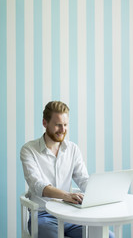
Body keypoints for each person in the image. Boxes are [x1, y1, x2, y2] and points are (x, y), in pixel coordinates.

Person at [20, 101, 114, 238]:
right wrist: (66, 195)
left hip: (70, 214)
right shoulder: (29, 150)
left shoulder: (72, 149)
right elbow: (37, 185)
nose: (63, 130)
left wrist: (103, 192)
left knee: (108, 236)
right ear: (45, 123)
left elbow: (83, 181)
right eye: (58, 125)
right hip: (43, 216)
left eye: (65, 125)